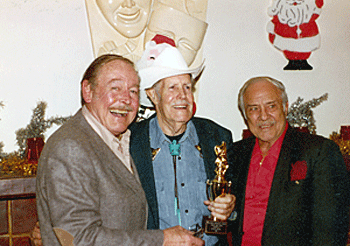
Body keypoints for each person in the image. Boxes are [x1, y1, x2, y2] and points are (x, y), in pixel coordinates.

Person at [35, 54, 204, 246]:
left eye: (133, 91)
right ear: (87, 91)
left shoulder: (119, 140)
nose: (125, 99)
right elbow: (79, 239)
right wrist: (162, 239)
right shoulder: (70, 148)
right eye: (115, 88)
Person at [130, 36, 236, 245]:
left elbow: (236, 198)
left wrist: (231, 208)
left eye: (187, 87)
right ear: (153, 95)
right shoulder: (131, 142)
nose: (183, 96)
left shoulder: (217, 137)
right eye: (173, 88)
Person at [231, 76, 349, 245]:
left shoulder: (318, 151)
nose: (263, 116)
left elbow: (331, 229)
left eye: (271, 106)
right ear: (245, 115)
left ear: (285, 107)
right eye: (253, 109)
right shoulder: (235, 153)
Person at [267, 0, 324, 70]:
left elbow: (314, 14)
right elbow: (274, 21)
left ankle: (303, 62)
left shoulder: (307, 12)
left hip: (307, 38)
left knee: (306, 47)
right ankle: (291, 62)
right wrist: (272, 31)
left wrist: (317, 6)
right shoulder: (281, 14)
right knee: (288, 48)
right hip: (285, 38)